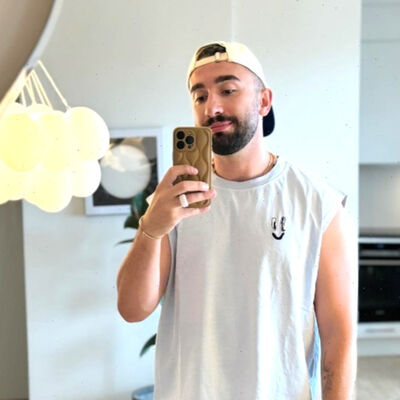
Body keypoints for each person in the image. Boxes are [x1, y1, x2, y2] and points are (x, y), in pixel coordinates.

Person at [117, 41, 357, 400]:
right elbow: (132, 309)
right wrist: (151, 228)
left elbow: (338, 338)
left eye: (227, 90)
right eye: (200, 96)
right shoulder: (170, 202)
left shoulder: (318, 204)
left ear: (264, 101)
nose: (211, 107)